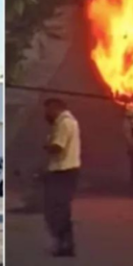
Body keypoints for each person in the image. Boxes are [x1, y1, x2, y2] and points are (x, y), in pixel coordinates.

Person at [42, 97, 81, 257]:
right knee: (61, 210)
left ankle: (64, 245)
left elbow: (58, 147)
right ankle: (65, 244)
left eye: (48, 109)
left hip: (62, 171)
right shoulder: (70, 121)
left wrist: (46, 145)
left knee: (57, 210)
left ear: (55, 108)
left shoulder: (64, 123)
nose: (46, 113)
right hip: (68, 170)